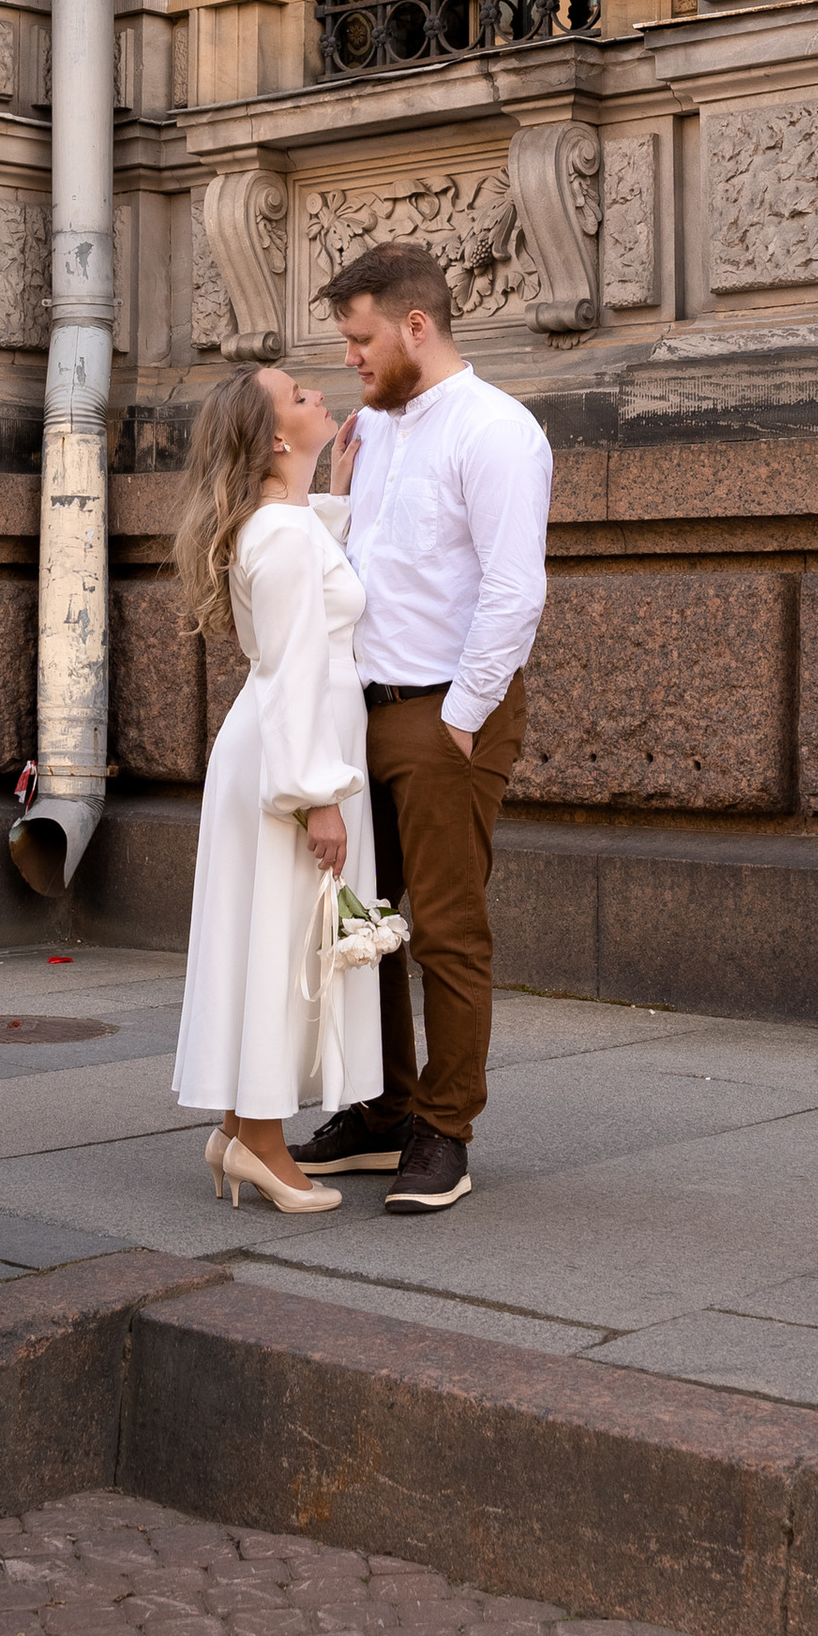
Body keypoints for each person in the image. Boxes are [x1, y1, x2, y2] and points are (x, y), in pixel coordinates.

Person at [294, 240, 552, 1217]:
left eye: (361, 339)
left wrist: (460, 718)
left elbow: (513, 590)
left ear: (416, 325)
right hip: (360, 712)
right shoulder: (372, 430)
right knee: (366, 927)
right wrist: (331, 475)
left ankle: (445, 1128)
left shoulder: (495, 431)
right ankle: (382, 1109)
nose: (350, 357)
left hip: (447, 714)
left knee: (444, 931)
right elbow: (342, 567)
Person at [169, 360, 381, 1215]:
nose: (319, 393)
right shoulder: (282, 537)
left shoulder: (279, 524)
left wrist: (332, 489)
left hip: (269, 750)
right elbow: (297, 666)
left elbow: (298, 563)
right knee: (282, 946)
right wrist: (317, 795)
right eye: (300, 397)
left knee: (262, 937)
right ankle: (259, 1141)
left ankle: (239, 1125)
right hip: (289, 760)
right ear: (274, 438)